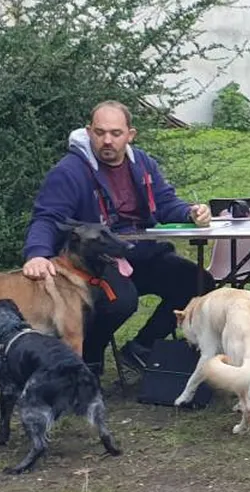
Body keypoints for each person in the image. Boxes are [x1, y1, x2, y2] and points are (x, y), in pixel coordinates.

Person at [23, 101, 212, 377]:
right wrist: (37, 253)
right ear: (89, 132)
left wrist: (190, 212)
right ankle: (88, 359)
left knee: (197, 282)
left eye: (115, 133)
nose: (107, 140)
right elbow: (46, 217)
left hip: (140, 253)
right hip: (95, 262)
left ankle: (143, 348)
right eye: (99, 133)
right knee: (121, 300)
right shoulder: (69, 171)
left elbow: (165, 202)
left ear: (130, 134)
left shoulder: (143, 163)